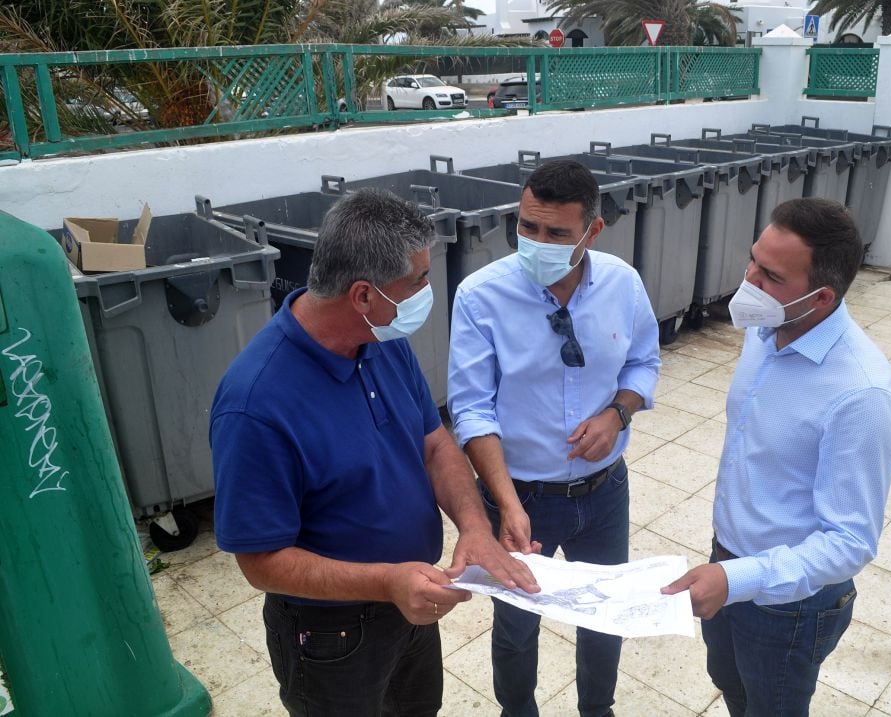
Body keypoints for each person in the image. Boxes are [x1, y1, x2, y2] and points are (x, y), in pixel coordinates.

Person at [209, 187, 539, 717]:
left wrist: (474, 527)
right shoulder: (256, 405)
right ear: (363, 295)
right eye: (418, 281)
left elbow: (434, 444)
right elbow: (260, 560)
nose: (427, 291)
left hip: (409, 606)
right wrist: (384, 581)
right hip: (331, 636)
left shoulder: (381, 340)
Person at [662, 198, 891, 717]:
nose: (749, 281)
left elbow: (850, 542)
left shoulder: (862, 396)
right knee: (729, 682)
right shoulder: (768, 327)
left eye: (770, 276)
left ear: (820, 298)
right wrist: (726, 568)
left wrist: (739, 579)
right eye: (753, 260)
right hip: (727, 557)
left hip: (790, 605)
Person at [447, 159, 661, 717]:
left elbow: (643, 364)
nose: (536, 243)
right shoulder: (480, 297)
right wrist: (508, 504)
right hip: (522, 499)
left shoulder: (623, 284)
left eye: (556, 233)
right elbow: (472, 411)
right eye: (526, 227)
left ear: (593, 230)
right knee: (517, 625)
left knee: (603, 618)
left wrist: (618, 413)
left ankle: (599, 708)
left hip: (604, 493)